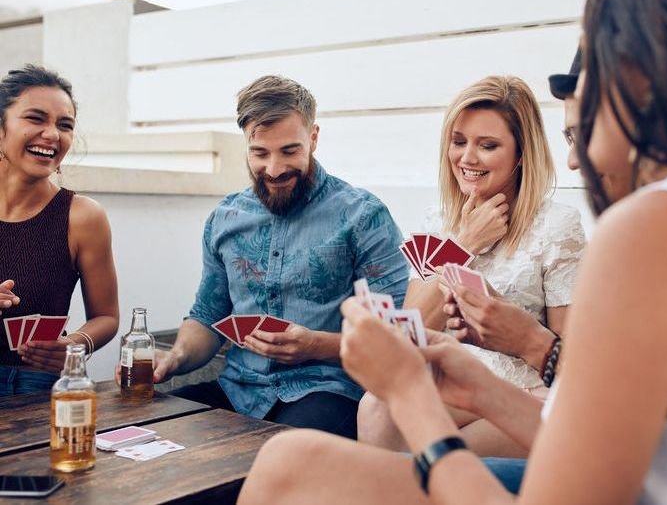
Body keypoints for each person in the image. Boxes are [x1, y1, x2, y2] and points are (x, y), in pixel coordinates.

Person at [238, 0, 667, 503]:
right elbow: (630, 443)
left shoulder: (665, 229)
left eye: (590, 82)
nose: (579, 154)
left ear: (638, 80)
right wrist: (481, 389)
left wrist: (410, 394)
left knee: (288, 469)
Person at [141, 75, 408, 438]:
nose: (274, 169)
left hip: (329, 392)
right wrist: (175, 358)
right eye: (260, 153)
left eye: (289, 151)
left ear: (313, 138)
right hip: (238, 390)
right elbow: (208, 316)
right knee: (147, 433)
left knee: (280, 460)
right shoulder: (225, 218)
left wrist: (315, 345)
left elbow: (396, 335)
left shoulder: (364, 216)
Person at [358, 75, 585, 457]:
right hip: (455, 379)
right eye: (459, 142)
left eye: (488, 145)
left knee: (439, 457)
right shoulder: (439, 221)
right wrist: (463, 244)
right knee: (376, 406)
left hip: (524, 391)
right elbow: (411, 328)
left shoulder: (557, 226)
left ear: (521, 153)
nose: (467, 159)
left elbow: (570, 357)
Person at [0, 65, 119, 395]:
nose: (53, 134)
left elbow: (106, 317)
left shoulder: (83, 216)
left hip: (38, 386)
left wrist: (75, 344)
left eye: (64, 125)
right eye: (36, 119)